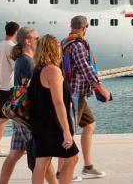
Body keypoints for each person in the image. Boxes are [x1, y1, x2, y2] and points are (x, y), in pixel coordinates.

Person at [0, 27, 58, 184]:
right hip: (28, 116)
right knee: (43, 157)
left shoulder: (22, 60)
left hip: (19, 114)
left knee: (15, 154)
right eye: (36, 38)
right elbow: (29, 89)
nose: (38, 41)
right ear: (27, 41)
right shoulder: (27, 62)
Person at [62, 16, 110, 179]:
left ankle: (88, 166)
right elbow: (85, 68)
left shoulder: (65, 42)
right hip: (75, 93)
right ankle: (62, 172)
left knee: (90, 125)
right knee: (69, 133)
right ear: (84, 28)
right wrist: (100, 87)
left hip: (79, 93)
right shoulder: (77, 45)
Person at [29, 34, 79, 184]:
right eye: (57, 45)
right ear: (52, 49)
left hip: (40, 123)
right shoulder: (53, 70)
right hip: (53, 124)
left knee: (41, 163)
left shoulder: (38, 70)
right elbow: (58, 102)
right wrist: (66, 130)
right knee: (72, 159)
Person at [0, 21, 20, 157]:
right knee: (5, 118)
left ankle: (21, 145)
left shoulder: (0, 45)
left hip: (1, 85)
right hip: (10, 86)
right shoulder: (12, 47)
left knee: (13, 117)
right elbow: (17, 67)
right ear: (16, 32)